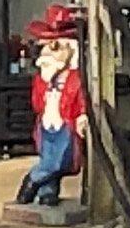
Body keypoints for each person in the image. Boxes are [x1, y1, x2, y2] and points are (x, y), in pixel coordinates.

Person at [17, 20, 88, 210]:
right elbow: (37, 102)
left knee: (61, 161)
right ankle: (48, 193)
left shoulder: (75, 79)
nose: (48, 53)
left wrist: (82, 115)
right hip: (46, 123)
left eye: (55, 47)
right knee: (47, 156)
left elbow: (81, 99)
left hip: (65, 123)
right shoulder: (43, 78)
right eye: (45, 48)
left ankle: (32, 180)